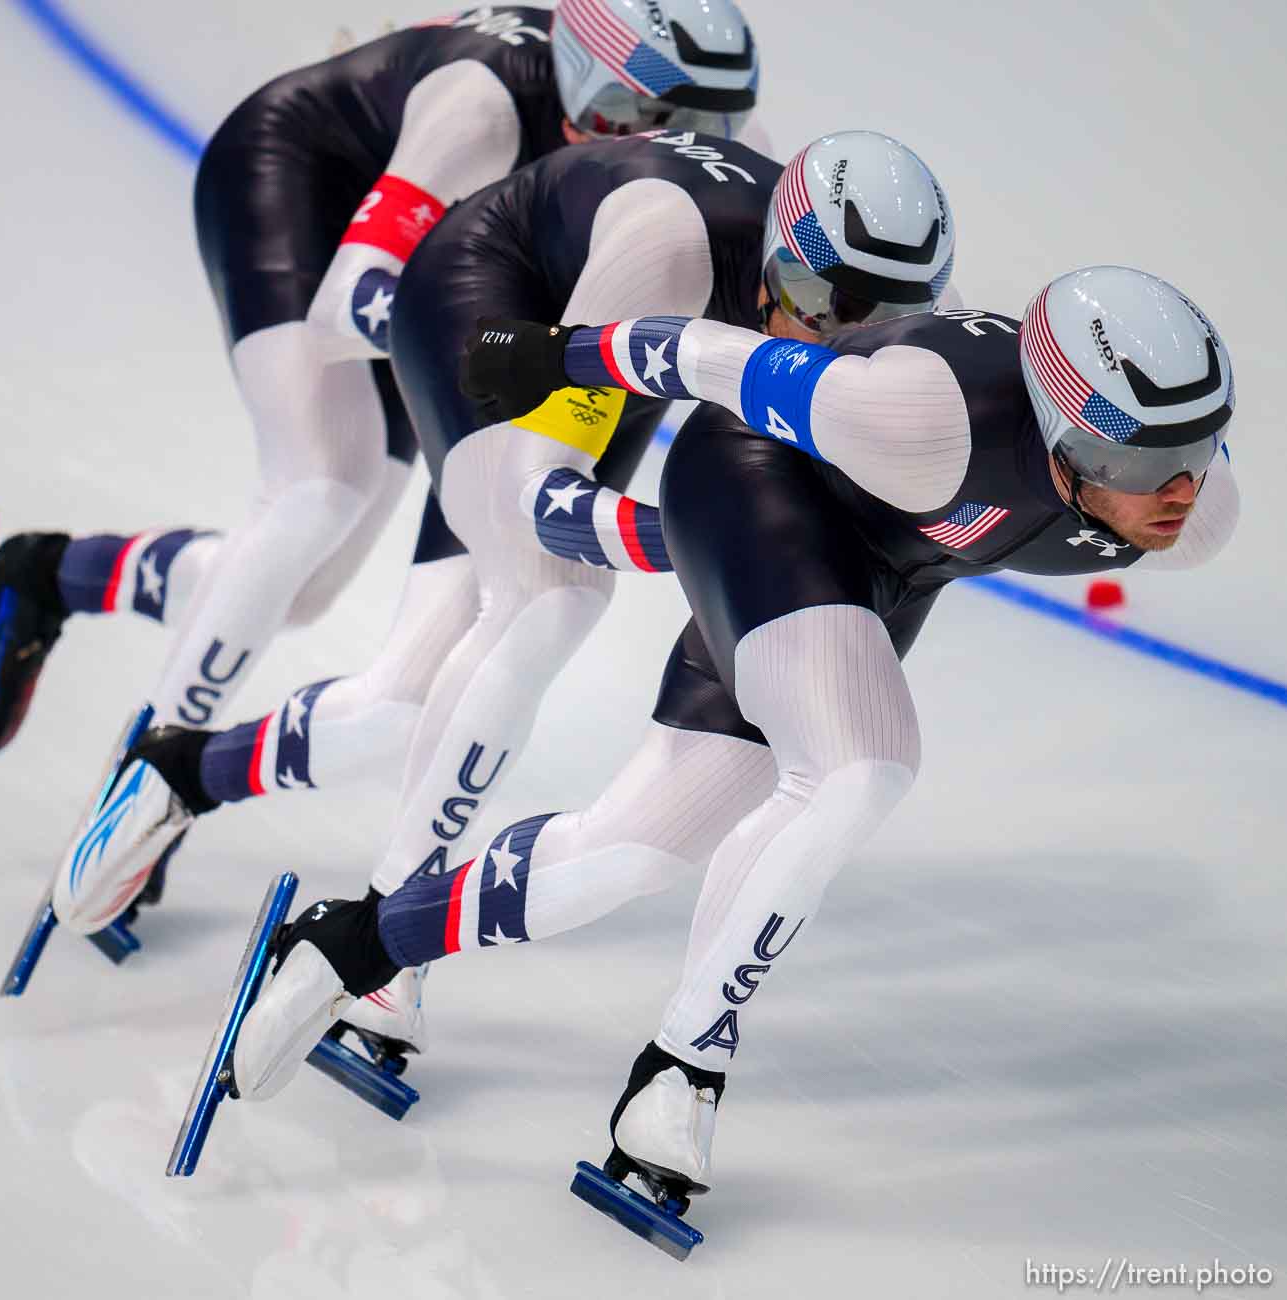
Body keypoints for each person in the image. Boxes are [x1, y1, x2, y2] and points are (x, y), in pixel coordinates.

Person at [230, 262, 1239, 1211]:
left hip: (877, 574)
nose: (1176, 492)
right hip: (755, 485)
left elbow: (1151, 481)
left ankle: (357, 938)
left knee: (624, 856)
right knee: (859, 763)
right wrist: (552, 351)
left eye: (1195, 452)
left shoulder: (1192, 511)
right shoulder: (915, 412)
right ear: (1063, 436)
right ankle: (683, 1065)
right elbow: (705, 356)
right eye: (1137, 461)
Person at [57, 131, 957, 1079]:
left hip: (616, 360)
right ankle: (377, 939)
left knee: (404, 701)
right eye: (819, 303)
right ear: (774, 260)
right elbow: (545, 498)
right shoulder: (665, 249)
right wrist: (690, 539)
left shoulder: (833, 319)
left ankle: (180, 773)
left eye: (875, 326)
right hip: (497, 323)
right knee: (552, 596)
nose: (834, 341)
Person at [0, 0, 759, 827]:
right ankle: (145, 780)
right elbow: (346, 304)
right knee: (318, 487)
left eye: (704, 124)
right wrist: (490, 359)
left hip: (437, 257)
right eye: (642, 118)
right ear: (587, 85)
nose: (664, 145)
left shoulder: (699, 151)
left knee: (300, 591)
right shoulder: (481, 108)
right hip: (304, 188)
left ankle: (51, 573)